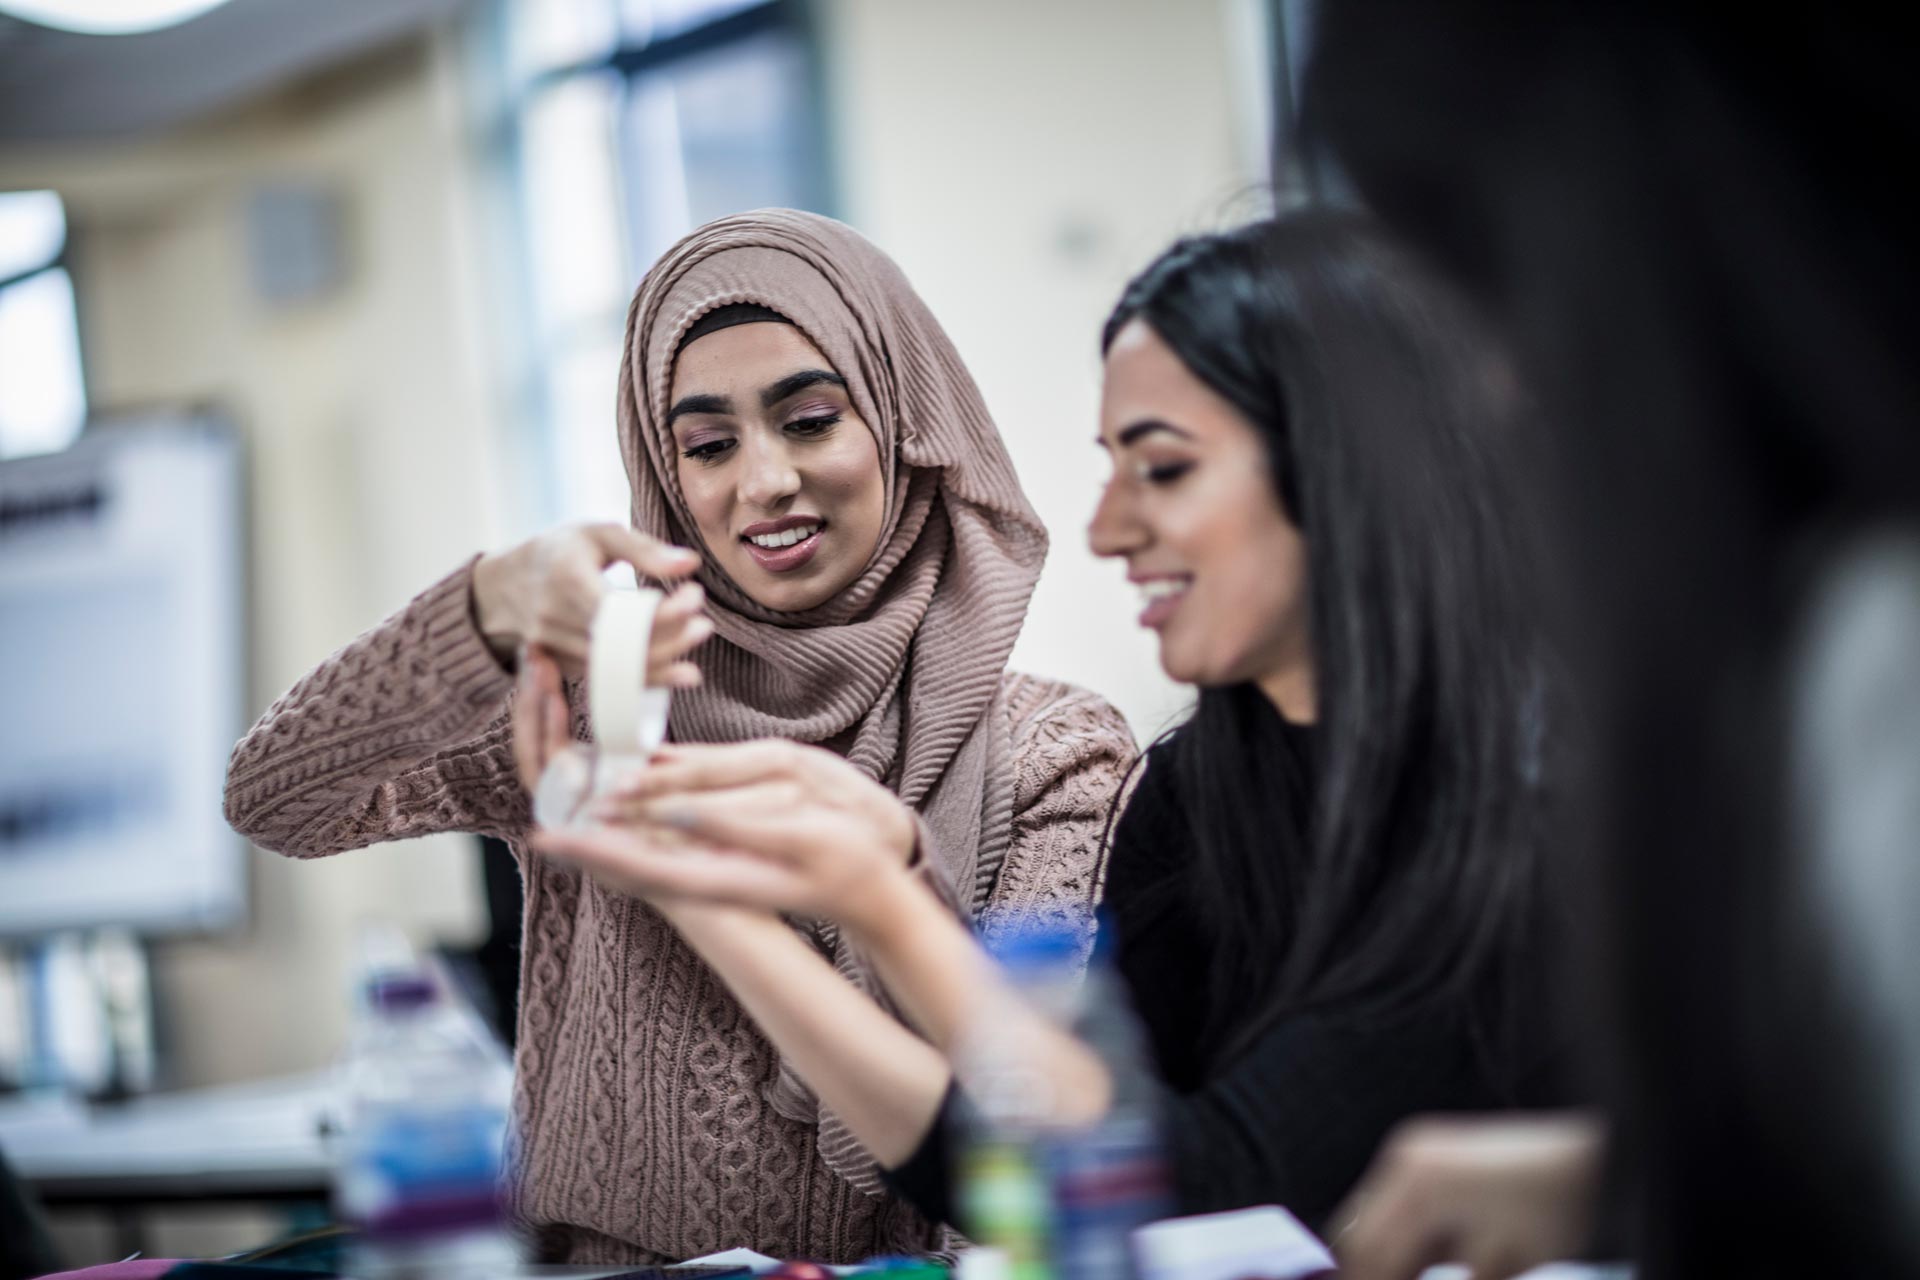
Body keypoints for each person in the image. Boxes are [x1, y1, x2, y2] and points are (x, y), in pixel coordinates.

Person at [535, 212, 1577, 1235]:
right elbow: (1046, 1172)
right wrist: (703, 891)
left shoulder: (1528, 800)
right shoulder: (1203, 789)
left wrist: (882, 908)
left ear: (1344, 466)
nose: (1107, 528)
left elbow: (1207, 1177)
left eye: (1163, 467)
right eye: (708, 444)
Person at [223, 209, 1134, 1263]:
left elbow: (1025, 1152)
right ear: (667, 474)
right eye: (707, 444)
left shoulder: (1053, 750)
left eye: (809, 420)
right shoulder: (601, 701)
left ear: (902, 424)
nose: (763, 482)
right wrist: (482, 606)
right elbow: (276, 797)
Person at [1303, 5, 1920, 1277]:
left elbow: (1201, 1152)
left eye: (1488, 290)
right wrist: (1631, 1181)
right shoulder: (1201, 777)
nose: (1495, 389)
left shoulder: (1872, 657)